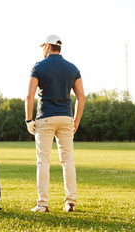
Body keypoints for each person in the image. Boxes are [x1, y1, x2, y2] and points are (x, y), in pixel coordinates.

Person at [25, 35, 85, 212]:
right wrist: (76, 121)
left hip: (45, 118)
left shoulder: (38, 66)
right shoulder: (72, 68)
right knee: (68, 161)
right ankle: (70, 202)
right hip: (66, 119)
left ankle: (42, 204)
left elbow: (29, 96)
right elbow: (81, 97)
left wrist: (29, 119)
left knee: (43, 161)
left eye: (43, 46)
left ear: (48, 47)